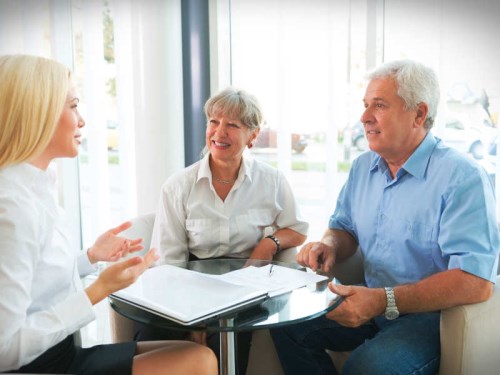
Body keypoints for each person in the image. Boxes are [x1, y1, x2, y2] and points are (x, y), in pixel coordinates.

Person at [270, 59, 500, 375]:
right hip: (370, 301)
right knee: (286, 324)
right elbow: (344, 228)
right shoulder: (364, 167)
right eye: (365, 106)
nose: (364, 117)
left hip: (431, 317)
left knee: (367, 368)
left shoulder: (463, 178)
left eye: (378, 106)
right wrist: (329, 245)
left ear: (419, 114)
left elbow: (475, 282)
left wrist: (383, 300)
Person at [0, 54, 218, 375]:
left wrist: (90, 257)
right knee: (199, 362)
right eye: (73, 105)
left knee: (194, 352)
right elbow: (5, 350)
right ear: (38, 112)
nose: (82, 120)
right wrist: (98, 290)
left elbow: (34, 285)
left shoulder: (35, 186)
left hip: (60, 354)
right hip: (39, 366)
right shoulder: (12, 206)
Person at [135, 87, 309, 373]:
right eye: (214, 122)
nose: (219, 132)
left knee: (226, 350)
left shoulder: (272, 180)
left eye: (232, 125)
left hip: (246, 287)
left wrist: (269, 243)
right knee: (150, 341)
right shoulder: (179, 186)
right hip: (186, 284)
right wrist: (193, 316)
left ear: (253, 135)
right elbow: (168, 261)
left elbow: (297, 229)